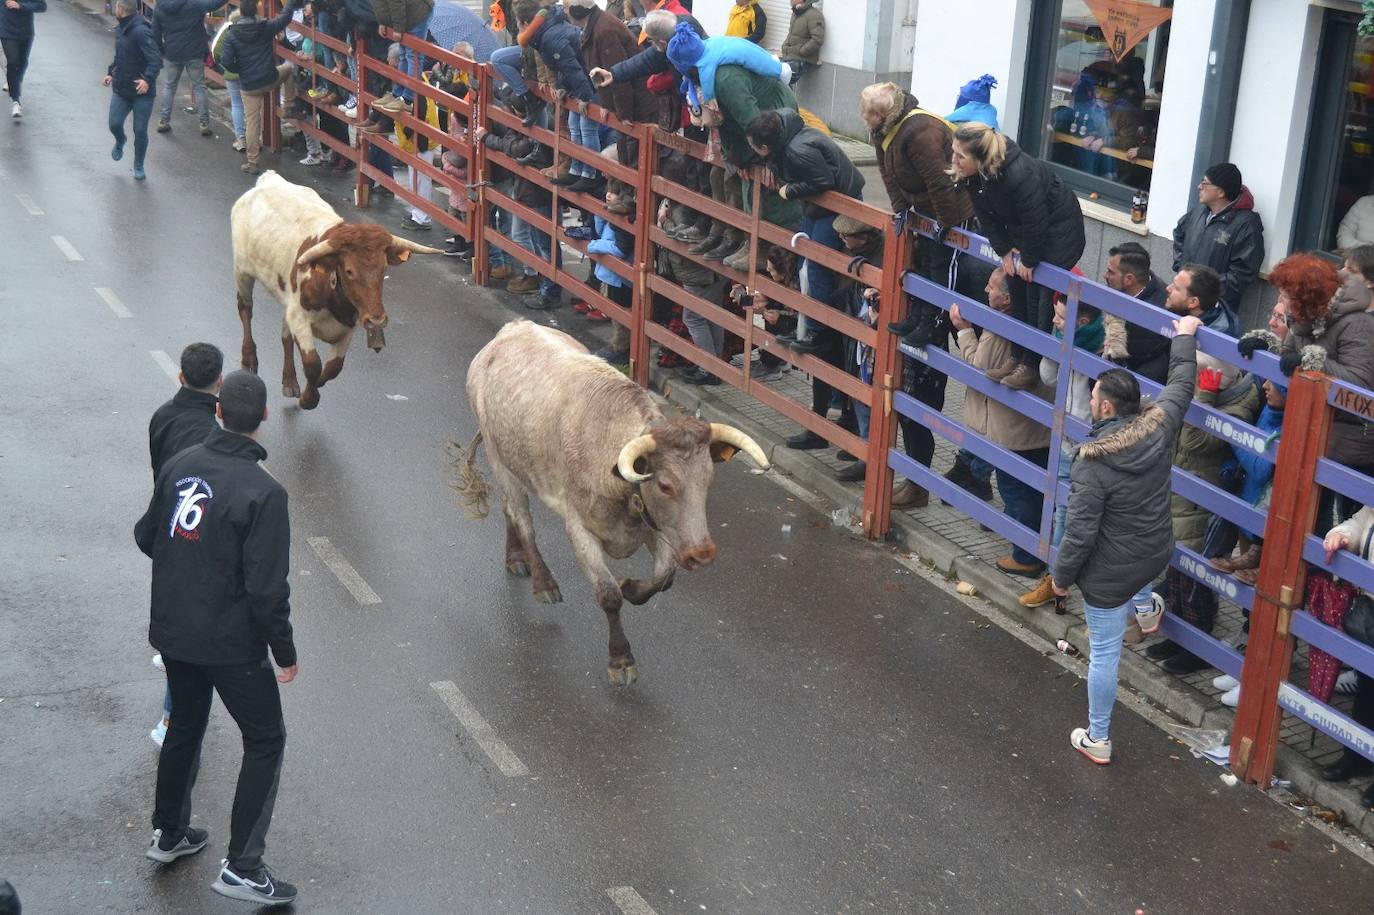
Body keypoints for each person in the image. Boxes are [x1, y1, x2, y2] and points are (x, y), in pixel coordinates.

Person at [134, 371, 298, 907]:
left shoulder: (181, 465)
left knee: (184, 725)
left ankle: (169, 833)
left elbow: (146, 535)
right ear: (265, 417)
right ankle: (244, 868)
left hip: (175, 633)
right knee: (266, 738)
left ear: (218, 411)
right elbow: (267, 590)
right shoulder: (265, 492)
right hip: (230, 646)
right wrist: (285, 653)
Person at [1052, 316, 1203, 764]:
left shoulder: (1091, 466)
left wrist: (1060, 580)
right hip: (1155, 551)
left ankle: (1098, 738)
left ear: (1104, 410)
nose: (1091, 401)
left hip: (1111, 575)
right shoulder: (1161, 424)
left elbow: (1079, 534)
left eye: (1094, 397)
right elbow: (1181, 383)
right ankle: (1147, 608)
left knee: (1104, 654)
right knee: (1138, 581)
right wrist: (1185, 337)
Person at [949, 121, 1085, 390]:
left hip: (1059, 231)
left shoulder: (1019, 174)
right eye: (953, 152)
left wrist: (1030, 260)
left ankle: (1032, 365)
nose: (953, 160)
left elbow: (1036, 220)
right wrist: (1005, 252)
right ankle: (1017, 356)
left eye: (960, 156)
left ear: (980, 157)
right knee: (1016, 286)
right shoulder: (974, 176)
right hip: (1025, 230)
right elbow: (985, 217)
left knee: (1038, 296)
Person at [146, 343, 224, 747]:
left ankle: (165, 649)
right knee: (193, 633)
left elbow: (158, 467)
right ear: (220, 383)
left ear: (181, 377)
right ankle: (170, 722)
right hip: (193, 532)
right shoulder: (213, 433)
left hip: (165, 523)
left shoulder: (162, 415)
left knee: (170, 600)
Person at [950, 271, 1053, 576]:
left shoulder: (1001, 325)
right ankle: (1038, 546)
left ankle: (1026, 557)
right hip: (1037, 426)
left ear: (1008, 299)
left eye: (991, 286)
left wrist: (965, 332)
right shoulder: (1037, 316)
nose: (985, 288)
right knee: (1037, 490)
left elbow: (980, 367)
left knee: (1015, 490)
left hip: (1012, 429)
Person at [857, 82, 974, 348]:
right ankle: (919, 317)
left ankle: (935, 323)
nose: (864, 118)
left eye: (868, 113)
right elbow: (887, 174)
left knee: (942, 266)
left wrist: (946, 222)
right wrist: (900, 209)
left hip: (951, 208)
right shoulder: (882, 131)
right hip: (924, 206)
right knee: (923, 261)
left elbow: (940, 180)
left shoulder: (920, 132)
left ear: (883, 113)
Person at [745, 107, 862, 350]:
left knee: (817, 265)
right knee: (803, 263)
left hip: (838, 205)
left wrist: (788, 190)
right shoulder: (787, 138)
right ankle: (805, 326)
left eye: (754, 147)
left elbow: (823, 181)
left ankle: (819, 331)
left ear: (765, 147)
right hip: (819, 206)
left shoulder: (797, 150)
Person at [1319, 507, 1374, 805]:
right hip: (1370, 609)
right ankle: (1357, 755)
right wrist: (1340, 535)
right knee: (1367, 689)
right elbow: (1358, 522)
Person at [217, 0, 306, 176]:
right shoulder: (265, 27)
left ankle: (252, 163)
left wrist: (240, 71)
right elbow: (284, 18)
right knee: (288, 69)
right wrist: (290, 4)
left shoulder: (232, 34)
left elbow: (225, 60)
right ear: (256, 10)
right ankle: (289, 106)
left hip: (249, 85)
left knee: (252, 122)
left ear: (241, 12)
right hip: (269, 78)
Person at [1172, 162, 1264, 325]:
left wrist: (1205, 290)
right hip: (1184, 300)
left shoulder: (1246, 225)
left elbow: (1243, 274)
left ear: (1221, 192)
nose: (1199, 186)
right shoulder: (1199, 211)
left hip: (1213, 313)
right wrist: (1181, 269)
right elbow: (1179, 234)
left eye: (1205, 183)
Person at [103, 0, 161, 182]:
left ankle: (138, 164)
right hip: (121, 88)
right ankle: (120, 140)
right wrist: (111, 72)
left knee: (140, 129)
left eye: (115, 6)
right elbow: (121, 55)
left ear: (120, 10)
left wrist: (147, 80)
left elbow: (156, 60)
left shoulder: (141, 31)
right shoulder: (121, 28)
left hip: (141, 91)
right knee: (114, 123)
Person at [152, 0, 229, 135]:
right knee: (199, 86)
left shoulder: (160, 5)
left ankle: (163, 120)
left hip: (172, 51)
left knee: (169, 86)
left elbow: (156, 32)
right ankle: (204, 122)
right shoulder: (194, 3)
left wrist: (161, 51)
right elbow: (213, 4)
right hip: (194, 51)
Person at [1101, 241, 1170, 383]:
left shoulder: (1155, 314)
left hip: (1141, 381)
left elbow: (1135, 354)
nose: (1104, 275)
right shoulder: (1124, 290)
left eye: (1111, 272)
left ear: (1129, 279)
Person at [372, 0, 434, 104]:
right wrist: (382, 22)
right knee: (404, 54)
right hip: (406, 13)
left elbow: (397, 2)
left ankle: (408, 98)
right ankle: (398, 93)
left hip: (415, 13)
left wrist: (398, 28)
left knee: (413, 55)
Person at [1162, 263, 1238, 337]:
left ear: (1193, 302)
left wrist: (1184, 338)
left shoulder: (1218, 338)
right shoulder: (1175, 307)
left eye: (1176, 288)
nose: (1168, 288)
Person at [0, 0, 44, 118]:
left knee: (22, 62)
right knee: (12, 61)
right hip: (6, 31)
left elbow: (42, 6)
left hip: (26, 32)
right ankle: (16, 101)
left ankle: (14, 82)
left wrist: (20, 6)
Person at [778, 0, 823, 85]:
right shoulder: (796, 13)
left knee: (781, 82)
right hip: (789, 57)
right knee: (774, 78)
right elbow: (791, 34)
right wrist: (784, 47)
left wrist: (801, 51)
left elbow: (817, 40)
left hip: (800, 59)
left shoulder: (814, 15)